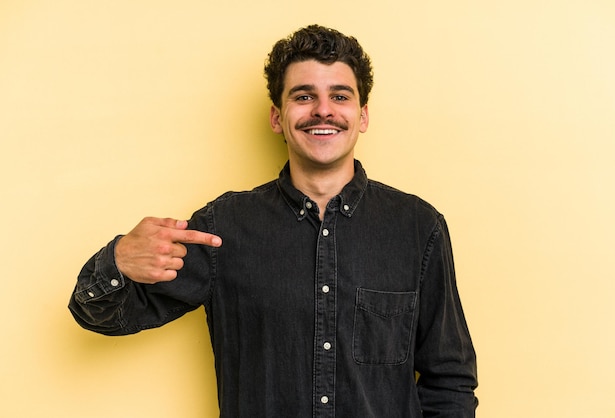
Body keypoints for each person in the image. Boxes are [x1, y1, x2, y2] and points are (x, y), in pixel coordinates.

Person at [69, 24, 478, 417]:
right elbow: (100, 315)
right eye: (303, 96)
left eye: (340, 96)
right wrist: (118, 261)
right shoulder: (223, 228)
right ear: (277, 117)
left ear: (363, 115)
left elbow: (450, 380)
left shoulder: (417, 228)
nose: (323, 110)